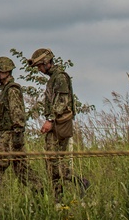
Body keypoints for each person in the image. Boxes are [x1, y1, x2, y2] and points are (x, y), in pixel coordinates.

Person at [27, 48, 88, 200]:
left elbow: (62, 101)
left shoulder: (60, 77)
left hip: (59, 124)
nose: (40, 69)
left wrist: (50, 120)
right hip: (56, 124)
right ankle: (58, 197)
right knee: (51, 162)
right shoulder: (53, 78)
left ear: (47, 62)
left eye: (40, 65)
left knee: (54, 161)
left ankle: (80, 182)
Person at [0, 57, 42, 192]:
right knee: (21, 168)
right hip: (7, 132)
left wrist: (17, 131)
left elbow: (17, 111)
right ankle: (39, 191)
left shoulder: (12, 89)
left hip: (11, 134)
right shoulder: (6, 89)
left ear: (5, 72)